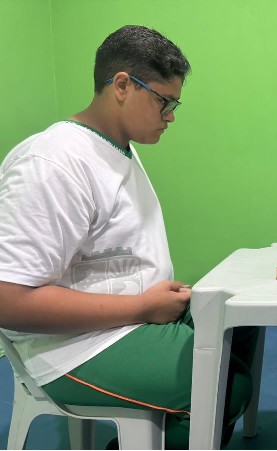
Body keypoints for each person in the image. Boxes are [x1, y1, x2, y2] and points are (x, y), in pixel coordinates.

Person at [0, 25, 256, 449]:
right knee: (227, 386)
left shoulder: (117, 147)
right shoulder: (51, 162)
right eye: (164, 101)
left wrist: (151, 297)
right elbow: (8, 300)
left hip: (127, 320)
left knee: (239, 321)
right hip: (73, 348)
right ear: (122, 85)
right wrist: (141, 306)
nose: (171, 116)